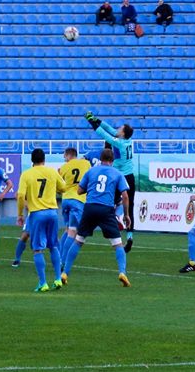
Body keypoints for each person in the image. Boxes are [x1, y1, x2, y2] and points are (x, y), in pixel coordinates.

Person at [62, 148, 132, 288]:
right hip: (106, 209)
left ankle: (65, 273)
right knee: (117, 244)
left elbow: (79, 190)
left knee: (78, 241)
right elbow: (125, 196)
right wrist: (126, 215)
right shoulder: (117, 173)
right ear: (112, 161)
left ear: (100, 159)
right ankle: (122, 272)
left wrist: (91, 188)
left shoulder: (91, 171)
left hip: (90, 207)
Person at [16, 148, 67, 292]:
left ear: (32, 160)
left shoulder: (26, 174)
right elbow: (63, 188)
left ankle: (43, 283)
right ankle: (58, 279)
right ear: (44, 159)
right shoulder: (52, 172)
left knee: (38, 249)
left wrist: (20, 214)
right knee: (53, 246)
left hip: (37, 213)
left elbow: (21, 195)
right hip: (52, 212)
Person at [85, 112, 137, 251]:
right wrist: (97, 119)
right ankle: (130, 236)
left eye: (120, 128)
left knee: (108, 202)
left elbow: (104, 134)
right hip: (130, 177)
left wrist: (91, 122)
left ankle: (110, 225)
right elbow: (110, 129)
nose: (117, 129)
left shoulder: (119, 143)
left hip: (119, 177)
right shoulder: (128, 141)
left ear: (123, 133)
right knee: (130, 206)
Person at [58, 146, 92, 268]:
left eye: (64, 156)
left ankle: (58, 256)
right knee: (73, 232)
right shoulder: (86, 163)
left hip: (66, 200)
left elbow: (59, 185)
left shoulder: (63, 167)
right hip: (78, 200)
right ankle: (62, 260)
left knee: (68, 230)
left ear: (68, 155)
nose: (64, 158)